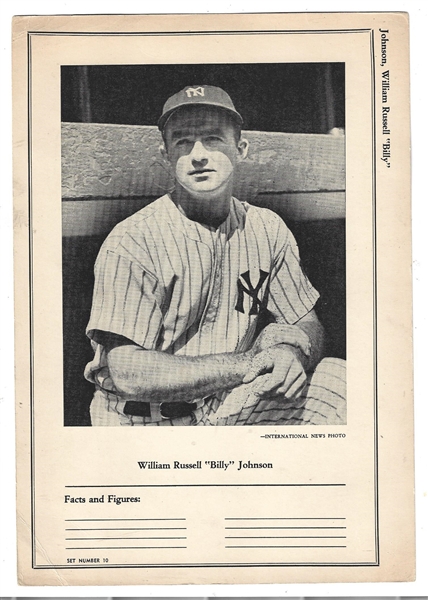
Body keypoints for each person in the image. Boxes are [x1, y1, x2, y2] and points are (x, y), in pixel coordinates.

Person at [84, 84, 346, 426]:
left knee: (342, 384)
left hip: (230, 403)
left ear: (241, 149)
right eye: (182, 141)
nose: (198, 154)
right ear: (165, 155)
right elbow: (129, 373)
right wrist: (250, 363)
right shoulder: (133, 240)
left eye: (213, 139)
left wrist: (290, 350)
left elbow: (306, 322)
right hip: (144, 419)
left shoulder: (267, 228)